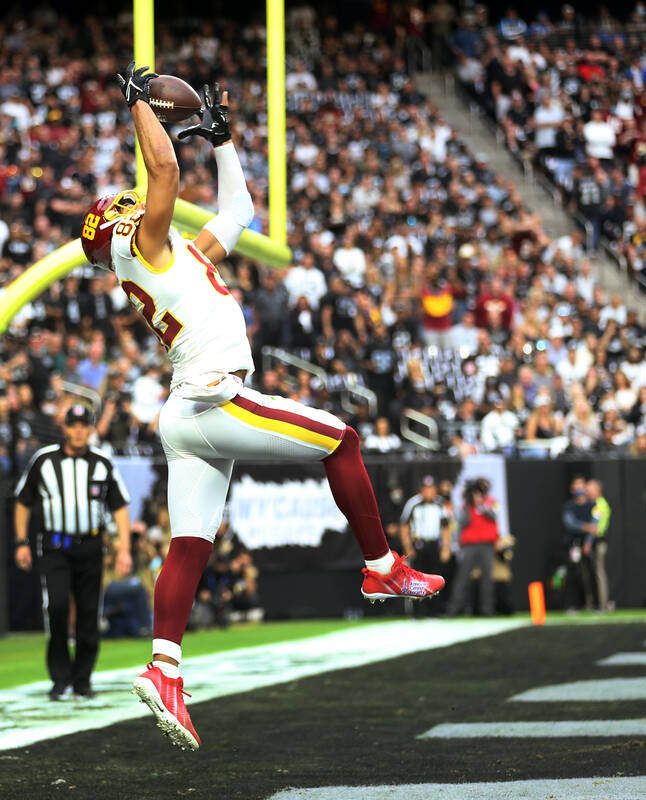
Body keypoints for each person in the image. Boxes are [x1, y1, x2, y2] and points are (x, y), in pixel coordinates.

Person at [98, 65, 444, 750]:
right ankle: (380, 567)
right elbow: (162, 172)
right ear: (116, 233)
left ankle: (164, 668)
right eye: (121, 210)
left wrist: (222, 143)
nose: (131, 205)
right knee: (342, 439)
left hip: (188, 415)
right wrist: (140, 104)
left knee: (189, 547)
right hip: (215, 399)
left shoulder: (174, 256)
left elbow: (238, 215)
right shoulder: (143, 248)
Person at [14, 404, 133, 700]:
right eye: (74, 424)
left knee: (89, 613)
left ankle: (82, 680)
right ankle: (59, 679)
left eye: (84, 424)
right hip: (55, 547)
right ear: (64, 428)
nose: (79, 430)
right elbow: (22, 501)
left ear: (91, 429)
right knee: (56, 608)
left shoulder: (102, 463)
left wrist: (125, 550)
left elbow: (119, 507)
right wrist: (20, 541)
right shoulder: (44, 460)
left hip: (91, 546)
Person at [445, 478, 500, 617]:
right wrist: (470, 505)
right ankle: (453, 610)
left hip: (487, 546)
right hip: (469, 546)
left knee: (487, 579)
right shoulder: (466, 506)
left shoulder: (491, 502)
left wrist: (481, 505)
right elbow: (462, 522)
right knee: (462, 578)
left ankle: (487, 610)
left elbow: (494, 516)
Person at [398, 475, 453, 617]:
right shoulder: (413, 504)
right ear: (421, 490)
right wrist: (408, 547)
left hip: (435, 545)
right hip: (418, 545)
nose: (429, 492)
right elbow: (404, 527)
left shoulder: (440, 504)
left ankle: (434, 610)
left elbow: (446, 528)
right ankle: (418, 611)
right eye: (426, 489)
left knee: (434, 578)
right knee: (417, 580)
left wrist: (446, 548)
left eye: (432, 489)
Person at [560, 476, 597, 612]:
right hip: (573, 544)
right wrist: (586, 527)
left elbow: (596, 524)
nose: (578, 488)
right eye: (575, 486)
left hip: (587, 544)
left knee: (591, 574)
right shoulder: (569, 506)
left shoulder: (593, 505)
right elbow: (570, 524)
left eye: (581, 485)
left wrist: (588, 542)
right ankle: (571, 604)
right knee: (572, 574)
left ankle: (593, 603)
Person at [587, 479, 613, 612]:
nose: (587, 493)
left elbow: (595, 527)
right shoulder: (593, 504)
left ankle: (603, 604)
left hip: (599, 541)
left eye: (590, 490)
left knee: (599, 573)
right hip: (595, 541)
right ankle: (596, 602)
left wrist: (588, 541)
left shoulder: (599, 504)